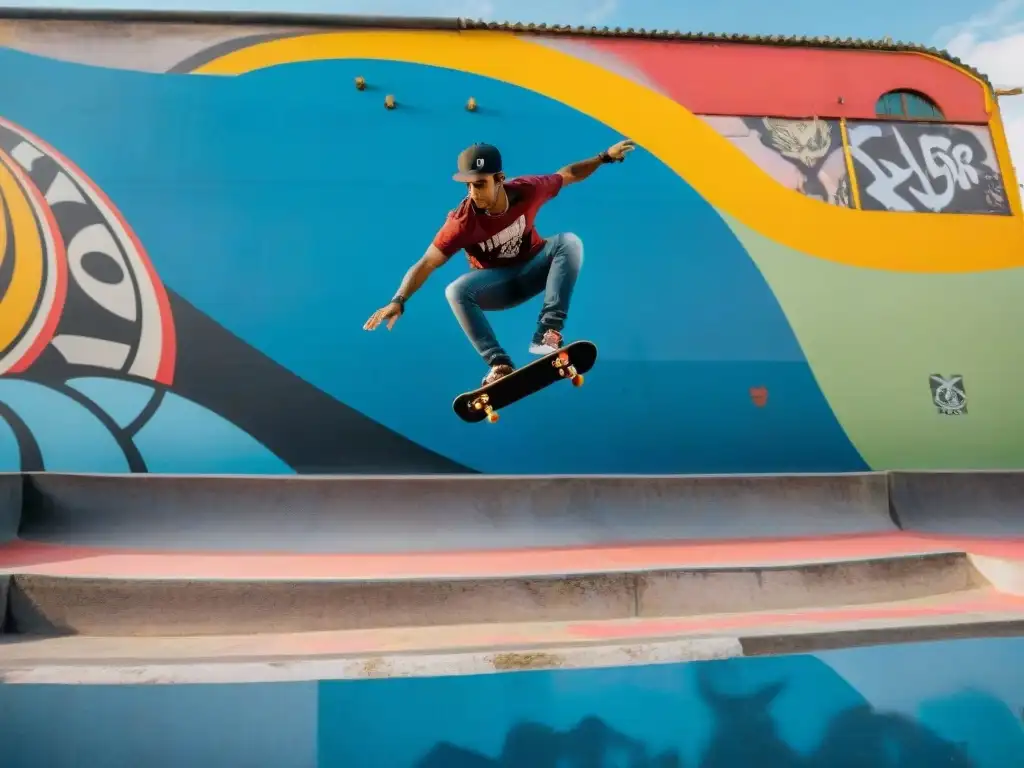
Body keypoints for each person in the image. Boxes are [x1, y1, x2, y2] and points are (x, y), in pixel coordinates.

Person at [363, 138, 636, 385]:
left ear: (500, 179)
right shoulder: (461, 222)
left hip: (534, 270)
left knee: (569, 241)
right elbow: (427, 263)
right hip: (498, 285)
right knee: (455, 290)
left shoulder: (528, 190)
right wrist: (398, 300)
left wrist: (604, 157)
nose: (474, 193)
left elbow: (567, 175)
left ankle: (548, 334)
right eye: (468, 185)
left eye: (480, 184)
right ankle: (499, 364)